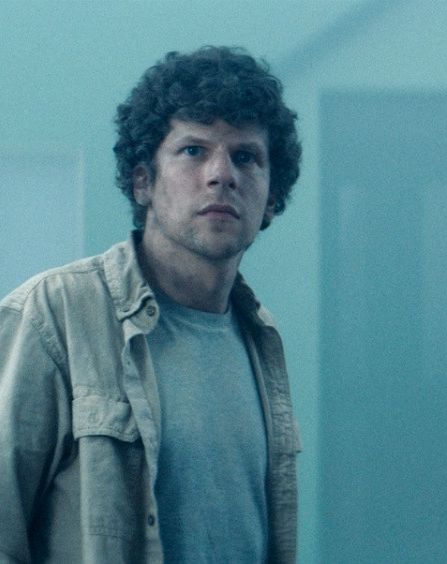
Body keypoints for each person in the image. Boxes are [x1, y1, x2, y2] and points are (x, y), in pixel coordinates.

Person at [0, 46, 302, 562]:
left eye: (245, 157)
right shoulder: (55, 315)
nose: (221, 174)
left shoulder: (260, 338)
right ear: (143, 180)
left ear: (271, 196)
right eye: (193, 150)